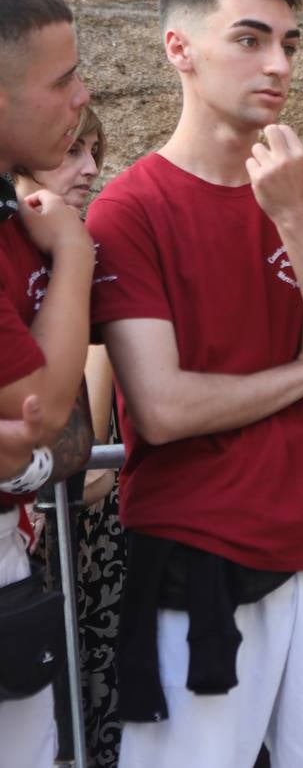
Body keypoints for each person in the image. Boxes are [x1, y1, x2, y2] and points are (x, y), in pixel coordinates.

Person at [85, 0, 303, 767]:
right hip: (200, 547)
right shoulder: (129, 208)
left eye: (290, 43)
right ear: (179, 49)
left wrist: (292, 215)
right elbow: (165, 408)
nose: (279, 65)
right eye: (251, 40)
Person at [0, 0, 96, 767]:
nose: (82, 98)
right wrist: (74, 253)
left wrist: (27, 467)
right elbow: (41, 397)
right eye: (62, 81)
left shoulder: (13, 216)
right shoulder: (49, 232)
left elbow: (62, 439)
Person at [14, 103, 125, 764]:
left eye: (93, 153)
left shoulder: (77, 252)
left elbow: (85, 460)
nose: (88, 170)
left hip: (78, 538)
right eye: (71, 152)